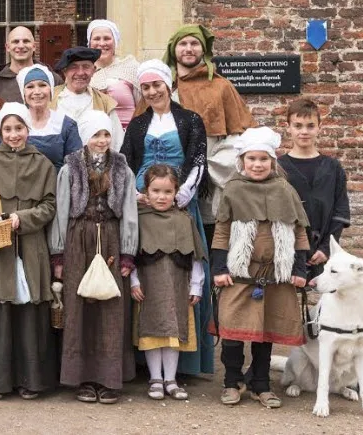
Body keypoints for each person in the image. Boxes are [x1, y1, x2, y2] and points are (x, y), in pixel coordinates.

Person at [278, 97, 363, 400]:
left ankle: (352, 374)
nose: (304, 131)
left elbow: (340, 210)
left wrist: (329, 251)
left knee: (340, 306)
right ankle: (271, 369)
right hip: (288, 251)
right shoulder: (279, 167)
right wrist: (295, 252)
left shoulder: (332, 167)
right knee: (283, 309)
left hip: (324, 251)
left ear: (319, 128)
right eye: (298, 126)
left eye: (310, 126)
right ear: (288, 127)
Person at [120, 59, 213, 377]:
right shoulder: (137, 124)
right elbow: (127, 161)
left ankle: (182, 362)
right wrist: (134, 194)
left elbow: (198, 157)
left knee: (181, 270)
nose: (151, 91)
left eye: (156, 84)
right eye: (145, 87)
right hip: (145, 199)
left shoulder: (189, 119)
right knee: (146, 271)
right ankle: (148, 361)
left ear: (168, 85)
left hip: (179, 197)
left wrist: (184, 193)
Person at [0, 103, 59, 400]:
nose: (14, 135)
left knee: (28, 312)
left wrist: (23, 219)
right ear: (0, 132)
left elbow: (49, 206)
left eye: (19, 128)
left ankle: (30, 379)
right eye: (7, 129)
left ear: (28, 130)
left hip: (29, 247)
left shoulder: (43, 164)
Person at [211, 127, 309, 408]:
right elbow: (221, 233)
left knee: (265, 333)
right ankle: (232, 382)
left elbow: (299, 233)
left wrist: (299, 270)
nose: (257, 164)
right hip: (239, 276)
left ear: (272, 161)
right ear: (242, 161)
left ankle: (260, 384)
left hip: (274, 276)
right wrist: (220, 268)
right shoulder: (233, 190)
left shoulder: (285, 190)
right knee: (232, 331)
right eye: (251, 159)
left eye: (263, 159)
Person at [49, 110, 138, 405]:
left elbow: (129, 213)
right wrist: (59, 253)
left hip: (110, 238)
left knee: (110, 307)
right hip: (78, 238)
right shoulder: (70, 169)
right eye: (96, 135)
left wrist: (127, 252)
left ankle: (108, 378)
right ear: (86, 138)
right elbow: (61, 212)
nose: (101, 140)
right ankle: (82, 378)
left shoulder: (123, 170)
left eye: (106, 134)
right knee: (79, 306)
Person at [162, 24, 257, 246]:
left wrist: (209, 164)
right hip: (174, 166)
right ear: (173, 50)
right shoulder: (163, 87)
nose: (188, 48)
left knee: (214, 229)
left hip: (213, 167)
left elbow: (244, 131)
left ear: (203, 50)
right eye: (183, 44)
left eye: (194, 44)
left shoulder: (221, 86)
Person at [130, 165, 206, 401]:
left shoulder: (184, 219)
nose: (161, 197)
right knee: (152, 330)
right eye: (156, 191)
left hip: (177, 285)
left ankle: (171, 379)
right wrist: (133, 282)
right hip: (148, 285)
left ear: (176, 193)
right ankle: (155, 378)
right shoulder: (139, 219)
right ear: (146, 191)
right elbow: (130, 255)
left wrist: (196, 285)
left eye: (167, 192)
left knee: (173, 330)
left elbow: (195, 257)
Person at [52, 47, 124, 151]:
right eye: (73, 67)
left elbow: (117, 143)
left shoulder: (105, 103)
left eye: (86, 67)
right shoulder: (49, 99)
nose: (80, 73)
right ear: (65, 71)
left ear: (94, 70)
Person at [15, 64, 82, 171]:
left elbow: (76, 167)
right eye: (30, 87)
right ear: (23, 93)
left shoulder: (66, 125)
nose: (37, 92)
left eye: (42, 85)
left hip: (56, 186)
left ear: (51, 90)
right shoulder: (13, 122)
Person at [0, 26, 62, 102]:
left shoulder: (54, 79)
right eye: (15, 41)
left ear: (34, 46)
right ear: (7, 47)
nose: (21, 46)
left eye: (26, 41)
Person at [87, 19, 139, 130]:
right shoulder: (82, 73)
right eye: (96, 39)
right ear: (89, 42)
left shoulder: (130, 67)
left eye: (107, 38)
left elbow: (143, 106)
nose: (102, 43)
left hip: (128, 136)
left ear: (115, 41)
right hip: (95, 139)